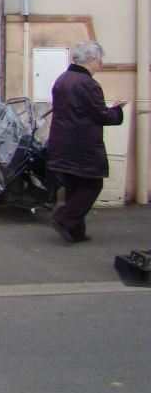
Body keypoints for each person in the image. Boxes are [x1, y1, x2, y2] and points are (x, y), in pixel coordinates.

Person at [45, 41, 126, 244]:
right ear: (90, 60)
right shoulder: (87, 83)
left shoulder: (62, 79)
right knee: (92, 184)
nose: (100, 64)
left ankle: (75, 232)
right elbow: (101, 115)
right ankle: (63, 218)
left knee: (74, 185)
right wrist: (117, 112)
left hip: (61, 141)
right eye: (99, 60)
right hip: (83, 144)